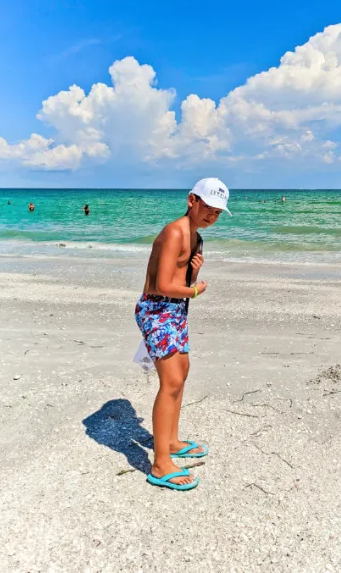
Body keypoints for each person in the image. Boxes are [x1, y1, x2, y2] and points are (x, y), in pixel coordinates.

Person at [134, 178, 231, 491]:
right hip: (156, 309)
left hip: (176, 310)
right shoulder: (176, 230)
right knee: (171, 381)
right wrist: (195, 290)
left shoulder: (197, 237)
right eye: (209, 209)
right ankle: (160, 464)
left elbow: (181, 278)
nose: (212, 216)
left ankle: (172, 441)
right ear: (193, 200)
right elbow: (162, 285)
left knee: (182, 373)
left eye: (218, 213)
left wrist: (194, 275)